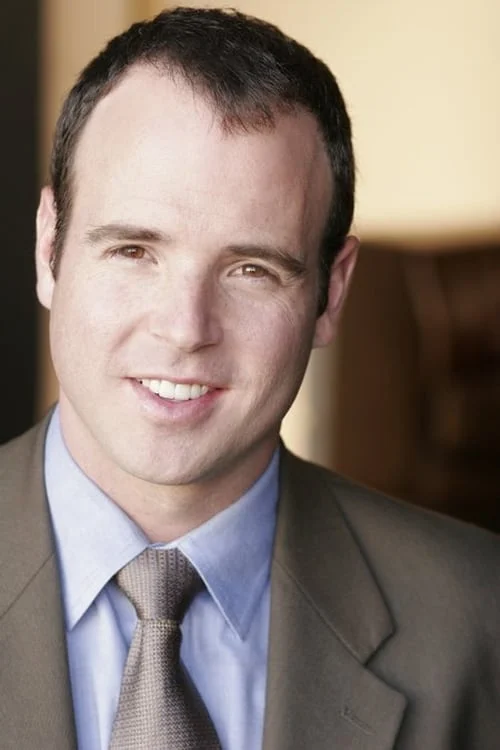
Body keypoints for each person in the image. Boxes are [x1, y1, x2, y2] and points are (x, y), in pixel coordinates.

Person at [1, 6, 499, 749]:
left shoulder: (479, 619)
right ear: (50, 248)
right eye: (134, 251)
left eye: (251, 270)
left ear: (332, 292)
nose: (185, 328)